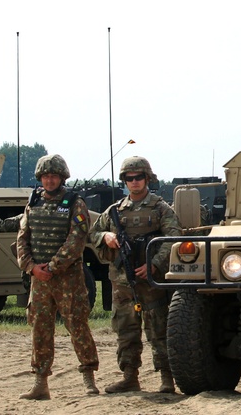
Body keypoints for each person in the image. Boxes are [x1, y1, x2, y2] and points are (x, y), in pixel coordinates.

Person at [92, 155, 182, 393]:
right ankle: (130, 377)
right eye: (129, 178)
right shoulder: (114, 212)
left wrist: (154, 264)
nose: (134, 182)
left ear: (147, 178)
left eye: (139, 177)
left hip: (151, 283)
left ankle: (167, 379)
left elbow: (173, 237)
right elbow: (93, 233)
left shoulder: (161, 209)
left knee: (159, 332)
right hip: (122, 285)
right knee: (126, 333)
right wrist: (106, 237)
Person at [15, 154, 100, 400]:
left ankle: (88, 378)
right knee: (40, 329)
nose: (49, 180)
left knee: (77, 326)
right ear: (40, 178)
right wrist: (31, 267)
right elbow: (23, 237)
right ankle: (40, 383)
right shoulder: (33, 201)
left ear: (62, 177)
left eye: (53, 176)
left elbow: (76, 240)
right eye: (45, 176)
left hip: (67, 279)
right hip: (39, 279)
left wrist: (51, 267)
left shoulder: (75, 202)